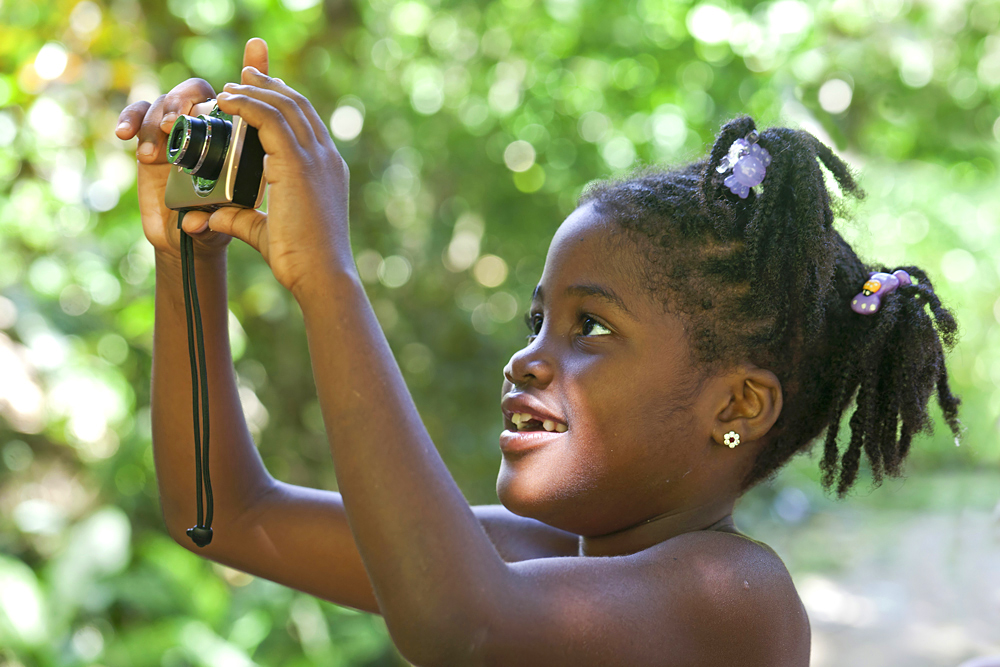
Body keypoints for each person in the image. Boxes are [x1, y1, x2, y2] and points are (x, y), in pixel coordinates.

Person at [115, 37, 961, 666]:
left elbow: (461, 621)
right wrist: (188, 259)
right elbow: (227, 514)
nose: (528, 358)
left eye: (591, 326)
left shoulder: (737, 597)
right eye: (536, 322)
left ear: (736, 407)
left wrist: (329, 279)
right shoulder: (526, 551)